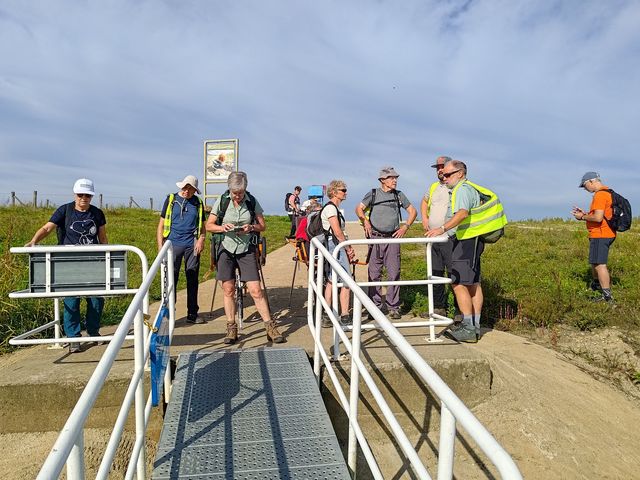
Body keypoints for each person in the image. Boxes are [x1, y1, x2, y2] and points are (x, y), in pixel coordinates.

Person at [25, 178, 108, 353]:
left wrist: (106, 256)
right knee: (71, 300)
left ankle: (93, 332)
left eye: (88, 195)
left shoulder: (97, 213)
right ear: (75, 194)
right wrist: (33, 241)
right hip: (69, 263)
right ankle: (73, 337)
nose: (84, 198)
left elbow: (102, 237)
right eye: (80, 194)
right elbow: (47, 228)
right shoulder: (65, 210)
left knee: (96, 300)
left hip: (92, 262)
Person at [205, 171, 284, 344]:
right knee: (228, 289)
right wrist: (222, 227)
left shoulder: (252, 201)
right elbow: (209, 225)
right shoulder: (222, 201)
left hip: (246, 248)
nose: (238, 196)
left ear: (245, 189)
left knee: (256, 290)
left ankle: (270, 327)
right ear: (229, 189)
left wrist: (251, 227)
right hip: (225, 248)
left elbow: (262, 226)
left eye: (240, 192)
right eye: (235, 193)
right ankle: (231, 328)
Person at [426, 160, 483, 343]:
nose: (445, 177)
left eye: (449, 174)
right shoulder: (467, 188)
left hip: (465, 240)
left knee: (459, 283)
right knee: (473, 283)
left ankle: (468, 327)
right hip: (471, 240)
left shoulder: (462, 190)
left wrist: (442, 228)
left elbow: (462, 213)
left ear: (460, 173)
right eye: (443, 174)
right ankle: (474, 325)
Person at [355, 167, 417, 320]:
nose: (394, 180)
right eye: (391, 178)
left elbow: (413, 211)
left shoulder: (399, 195)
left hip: (393, 238)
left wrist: (405, 227)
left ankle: (393, 306)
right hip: (375, 237)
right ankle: (374, 307)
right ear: (382, 180)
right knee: (374, 273)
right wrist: (365, 221)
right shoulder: (373, 193)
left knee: (394, 272)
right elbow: (359, 208)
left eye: (395, 178)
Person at [157, 175, 206, 324]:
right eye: (185, 187)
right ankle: (169, 313)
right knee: (171, 278)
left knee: (192, 278)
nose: (186, 191)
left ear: (194, 190)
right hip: (172, 243)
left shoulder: (198, 203)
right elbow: (160, 225)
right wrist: (161, 248)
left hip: (191, 244)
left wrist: (201, 240)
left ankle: (192, 313)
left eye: (190, 189)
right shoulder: (171, 199)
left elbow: (203, 227)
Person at [571, 172, 616, 303]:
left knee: (600, 265)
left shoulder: (600, 195)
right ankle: (597, 286)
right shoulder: (607, 193)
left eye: (585, 186)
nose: (585, 189)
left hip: (601, 234)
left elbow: (597, 218)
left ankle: (607, 297)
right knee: (595, 262)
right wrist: (585, 214)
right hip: (604, 233)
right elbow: (601, 215)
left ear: (591, 181)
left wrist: (582, 217)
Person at [421, 156, 456, 316]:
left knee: (454, 273)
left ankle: (459, 312)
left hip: (449, 237)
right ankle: (438, 308)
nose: (440, 170)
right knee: (435, 272)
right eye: (437, 167)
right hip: (433, 237)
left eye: (442, 166)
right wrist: (425, 219)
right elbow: (424, 201)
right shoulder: (434, 186)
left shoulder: (456, 186)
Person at [320, 180, 356, 327]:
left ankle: (326, 313)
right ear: (334, 192)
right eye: (343, 190)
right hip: (335, 244)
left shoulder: (331, 208)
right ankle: (345, 314)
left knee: (331, 279)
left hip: (333, 244)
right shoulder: (331, 209)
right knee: (347, 280)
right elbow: (337, 231)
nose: (345, 192)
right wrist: (348, 248)